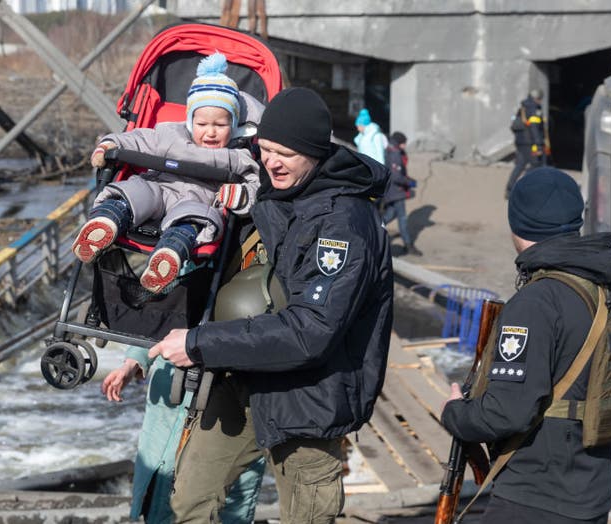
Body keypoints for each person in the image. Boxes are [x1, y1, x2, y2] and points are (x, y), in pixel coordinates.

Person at [148, 87, 394, 523]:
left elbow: (310, 331)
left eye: (285, 154)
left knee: (306, 515)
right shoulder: (273, 188)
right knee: (191, 500)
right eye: (266, 150)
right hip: (242, 373)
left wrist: (202, 344)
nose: (272, 163)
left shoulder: (344, 224)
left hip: (309, 396)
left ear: (316, 153)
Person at [441, 167, 611, 523]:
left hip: (533, 498)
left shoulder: (537, 302)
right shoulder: (610, 291)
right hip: (590, 496)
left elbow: (505, 413)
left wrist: (455, 413)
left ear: (516, 224)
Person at [72, 52, 260, 293]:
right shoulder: (172, 135)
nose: (211, 132)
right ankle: (105, 221)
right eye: (202, 125)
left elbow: (256, 184)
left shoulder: (236, 156)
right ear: (191, 122)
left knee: (193, 221)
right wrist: (109, 144)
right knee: (134, 190)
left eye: (220, 125)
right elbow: (137, 139)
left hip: (198, 200)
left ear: (233, 126)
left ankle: (168, 257)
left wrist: (241, 195)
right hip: (159, 188)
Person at [102, 348, 265, 524]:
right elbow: (158, 322)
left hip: (237, 390)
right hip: (173, 387)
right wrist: (133, 362)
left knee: (224, 500)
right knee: (159, 490)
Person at [382, 131, 421, 257]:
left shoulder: (392, 150)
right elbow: (396, 177)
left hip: (393, 191)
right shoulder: (395, 153)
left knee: (390, 215)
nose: (405, 145)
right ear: (400, 143)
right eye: (404, 143)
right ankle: (408, 245)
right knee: (402, 219)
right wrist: (410, 183)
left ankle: (373, 227)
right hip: (396, 192)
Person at [504, 89, 547, 199]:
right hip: (530, 142)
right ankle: (522, 189)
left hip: (520, 141)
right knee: (535, 165)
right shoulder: (534, 108)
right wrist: (538, 144)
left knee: (520, 165)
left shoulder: (523, 107)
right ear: (537, 98)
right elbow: (534, 128)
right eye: (540, 99)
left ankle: (510, 190)